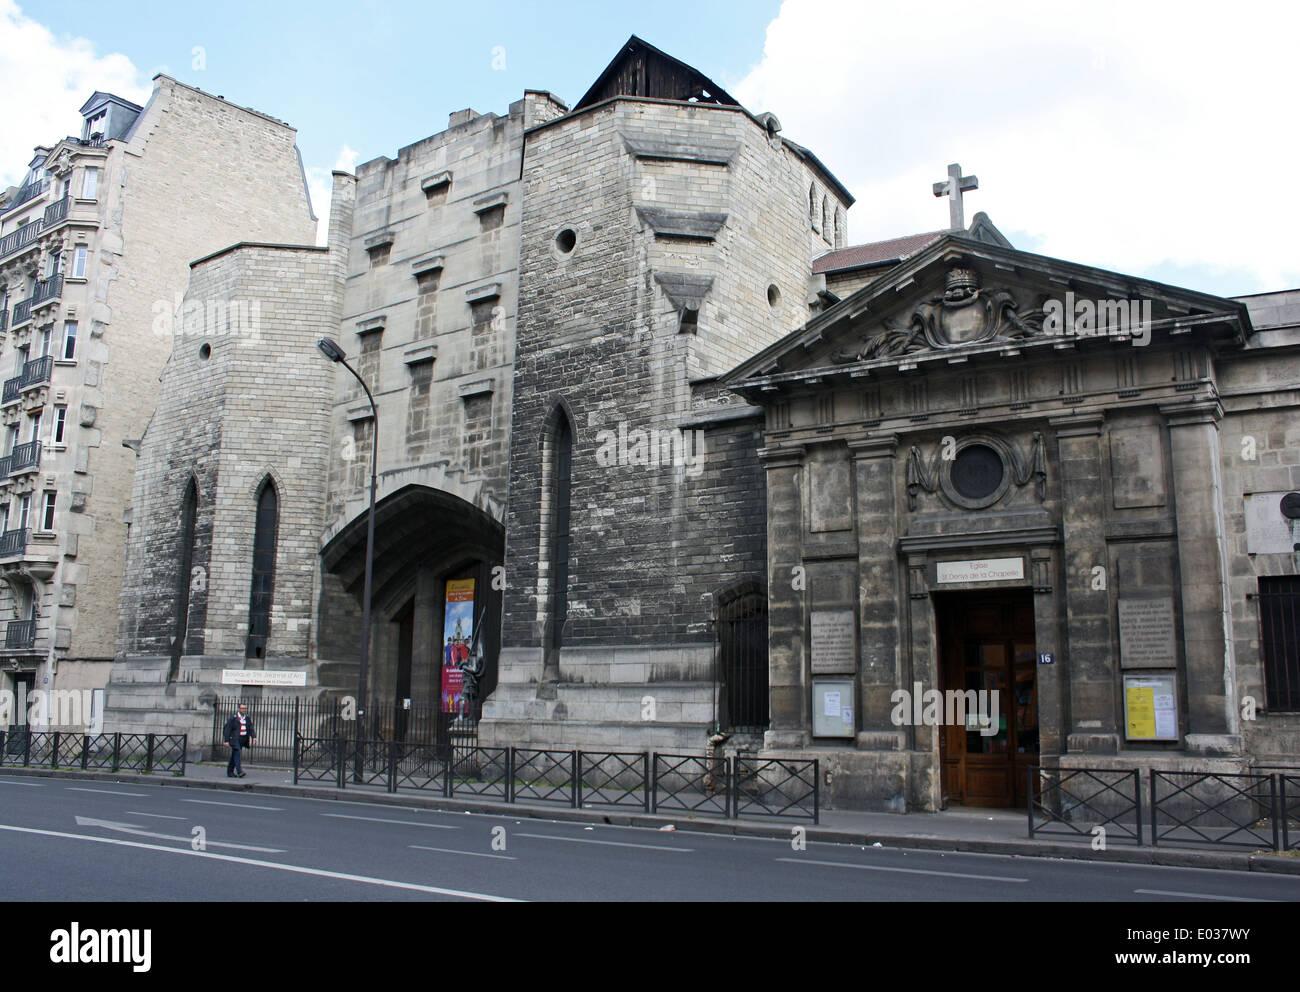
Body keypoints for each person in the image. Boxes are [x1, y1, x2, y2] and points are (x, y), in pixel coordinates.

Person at [222, 703, 256, 778]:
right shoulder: (233, 718)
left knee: (234, 755)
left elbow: (250, 728)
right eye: (242, 708)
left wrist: (254, 737)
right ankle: (239, 771)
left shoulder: (247, 718)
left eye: (245, 708)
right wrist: (226, 741)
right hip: (234, 739)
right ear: (239, 709)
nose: (244, 710)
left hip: (243, 738)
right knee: (237, 752)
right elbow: (227, 729)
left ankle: (230, 771)